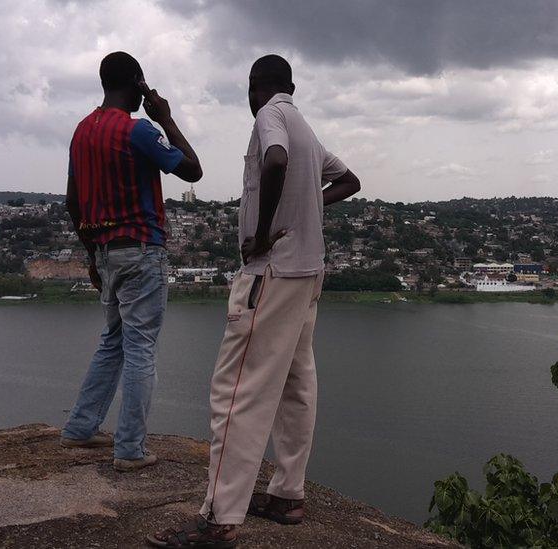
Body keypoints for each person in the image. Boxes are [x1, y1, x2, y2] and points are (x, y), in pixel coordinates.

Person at [147, 54, 361, 548]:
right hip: (308, 273)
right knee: (295, 383)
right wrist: (306, 205)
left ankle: (220, 519)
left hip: (272, 272)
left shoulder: (270, 115)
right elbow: (349, 180)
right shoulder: (304, 125)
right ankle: (287, 494)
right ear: (291, 86)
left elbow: (276, 161)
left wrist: (262, 233)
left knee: (236, 392)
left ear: (255, 87)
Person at [60, 51, 202, 472]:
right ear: (139, 83)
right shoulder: (138, 131)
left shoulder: (82, 131)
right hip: (141, 249)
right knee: (140, 349)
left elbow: (73, 201)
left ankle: (81, 427)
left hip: (103, 250)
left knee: (114, 342)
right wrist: (166, 118)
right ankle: (130, 449)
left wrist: (91, 256)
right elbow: (193, 170)